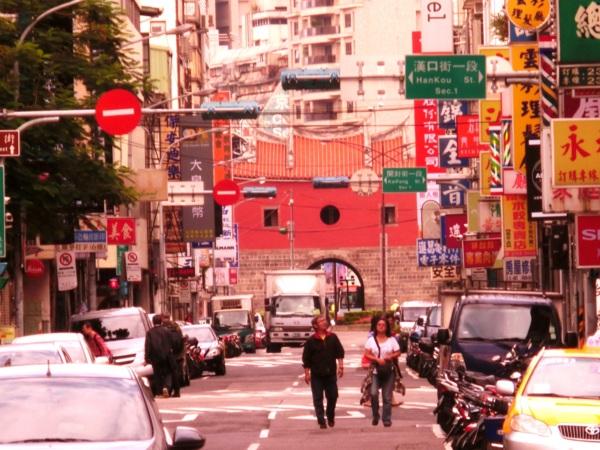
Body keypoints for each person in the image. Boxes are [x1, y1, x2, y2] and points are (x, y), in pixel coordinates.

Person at [302, 316, 345, 429]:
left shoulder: (333, 337)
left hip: (330, 373)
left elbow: (339, 352)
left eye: (324, 320)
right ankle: (321, 421)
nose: (323, 322)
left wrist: (341, 366)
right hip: (317, 374)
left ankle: (330, 415)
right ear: (315, 326)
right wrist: (307, 373)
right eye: (320, 321)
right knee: (318, 398)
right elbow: (306, 359)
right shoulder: (311, 341)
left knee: (333, 396)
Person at [363, 316, 401, 427]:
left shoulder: (391, 340)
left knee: (387, 397)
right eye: (379, 324)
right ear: (375, 326)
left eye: (383, 325)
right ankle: (375, 416)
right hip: (375, 371)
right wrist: (376, 359)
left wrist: (390, 356)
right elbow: (367, 354)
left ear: (387, 327)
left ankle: (386, 419)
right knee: (374, 394)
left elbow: (398, 352)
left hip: (388, 371)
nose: (381, 327)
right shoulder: (371, 340)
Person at [144, 314, 175, 398]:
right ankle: (166, 387)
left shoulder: (150, 332)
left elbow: (148, 346)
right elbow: (172, 342)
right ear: (161, 321)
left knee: (157, 374)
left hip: (155, 357)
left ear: (153, 322)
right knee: (168, 372)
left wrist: (146, 358)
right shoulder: (166, 331)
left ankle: (159, 392)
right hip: (166, 356)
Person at [161, 313, 185, 398]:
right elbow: (181, 338)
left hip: (167, 354)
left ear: (162, 318)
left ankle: (168, 389)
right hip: (177, 354)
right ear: (169, 317)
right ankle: (177, 391)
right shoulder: (176, 326)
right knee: (175, 373)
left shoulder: (162, 327)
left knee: (167, 373)